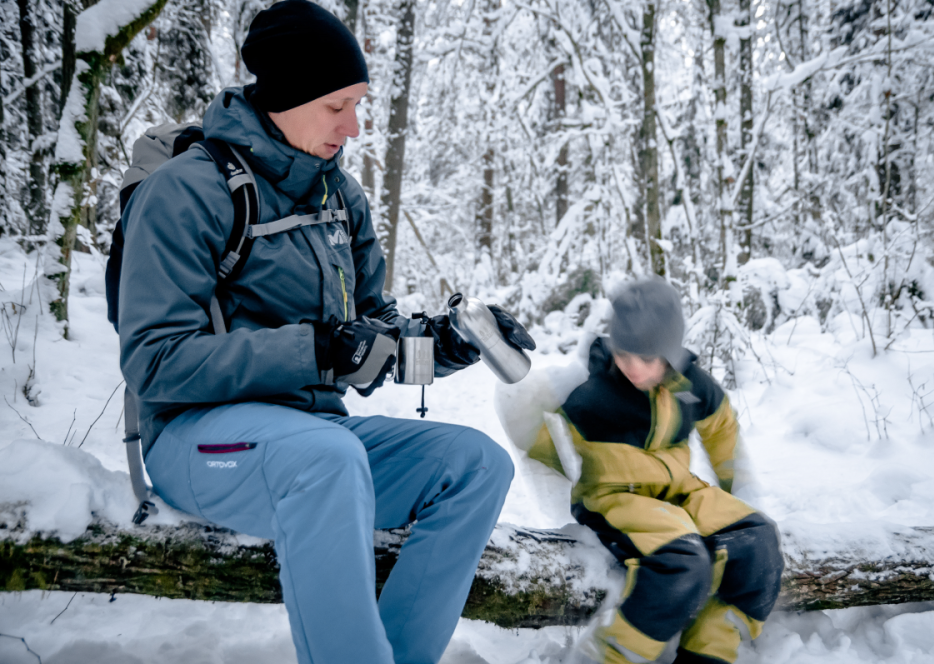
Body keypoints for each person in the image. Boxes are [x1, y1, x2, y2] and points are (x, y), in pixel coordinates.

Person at [116, 2, 529, 662]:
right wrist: (317, 349)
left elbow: (374, 339)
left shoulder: (340, 199)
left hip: (314, 438)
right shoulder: (187, 192)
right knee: (325, 458)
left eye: (359, 102)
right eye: (338, 104)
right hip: (198, 442)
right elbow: (155, 361)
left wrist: (450, 343)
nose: (356, 125)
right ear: (285, 94)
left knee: (477, 465)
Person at [511, 279, 782, 664]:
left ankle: (709, 652)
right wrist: (539, 432)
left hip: (681, 491)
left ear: (669, 351)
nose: (633, 367)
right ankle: (612, 655)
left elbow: (721, 428)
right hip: (615, 495)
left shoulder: (690, 385)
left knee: (757, 542)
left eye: (648, 358)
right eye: (625, 354)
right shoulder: (594, 388)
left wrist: (734, 489)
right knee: (683, 564)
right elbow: (536, 430)